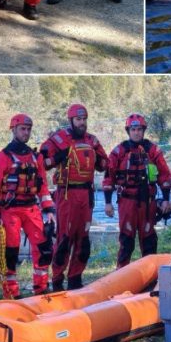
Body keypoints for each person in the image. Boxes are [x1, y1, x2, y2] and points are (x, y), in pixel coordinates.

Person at [0, 113, 55, 298]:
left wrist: (49, 209)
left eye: (28, 129)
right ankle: (11, 292)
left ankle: (41, 287)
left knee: (44, 247)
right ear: (13, 130)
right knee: (10, 252)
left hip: (32, 209)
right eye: (22, 129)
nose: (26, 133)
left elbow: (43, 187)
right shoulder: (1, 157)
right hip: (10, 211)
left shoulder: (36, 158)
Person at [40, 104, 109, 291]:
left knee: (83, 239)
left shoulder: (92, 140)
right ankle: (57, 280)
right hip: (67, 193)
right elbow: (41, 162)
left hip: (86, 194)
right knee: (64, 238)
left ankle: (75, 279)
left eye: (84, 119)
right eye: (78, 119)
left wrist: (98, 160)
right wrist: (57, 158)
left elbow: (105, 164)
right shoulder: (58, 139)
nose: (82, 123)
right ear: (71, 120)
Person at [103, 113, 170, 267]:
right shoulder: (119, 151)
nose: (136, 132)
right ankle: (122, 273)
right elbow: (108, 177)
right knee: (126, 240)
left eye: (139, 129)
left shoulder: (153, 150)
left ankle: (150, 273)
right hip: (127, 201)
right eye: (133, 129)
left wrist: (166, 199)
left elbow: (164, 175)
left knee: (149, 240)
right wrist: (108, 202)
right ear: (128, 131)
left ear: (143, 130)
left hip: (148, 202)